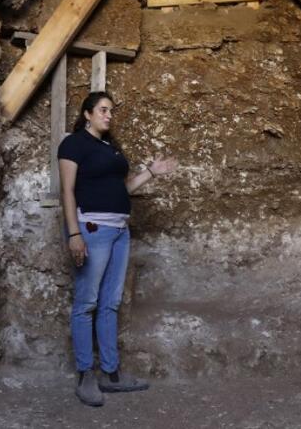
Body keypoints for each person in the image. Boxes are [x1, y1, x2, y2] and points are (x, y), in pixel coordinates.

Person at [57, 91, 177, 407]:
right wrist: (74, 234)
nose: (108, 115)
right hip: (92, 230)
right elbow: (67, 191)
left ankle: (112, 374)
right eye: (102, 110)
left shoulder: (111, 149)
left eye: (111, 111)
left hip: (120, 231)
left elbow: (121, 190)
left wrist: (151, 172)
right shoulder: (73, 144)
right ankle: (86, 376)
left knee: (110, 303)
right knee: (87, 302)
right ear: (87, 114)